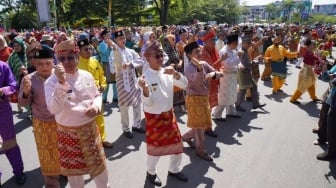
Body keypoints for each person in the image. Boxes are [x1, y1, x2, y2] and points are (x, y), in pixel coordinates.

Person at [44, 39, 110, 188]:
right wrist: (61, 84)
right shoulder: (51, 82)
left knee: (100, 171)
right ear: (57, 61)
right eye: (62, 58)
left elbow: (97, 95)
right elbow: (54, 109)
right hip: (68, 135)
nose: (66, 62)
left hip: (90, 131)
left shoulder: (86, 75)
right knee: (75, 177)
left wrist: (96, 106)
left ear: (77, 58)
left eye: (70, 57)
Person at [138, 40, 188, 186]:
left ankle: (174, 169)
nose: (160, 58)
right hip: (154, 118)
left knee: (177, 146)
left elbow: (184, 85)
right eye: (156, 56)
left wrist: (177, 75)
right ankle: (151, 173)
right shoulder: (145, 77)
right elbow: (147, 103)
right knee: (155, 151)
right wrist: (146, 91)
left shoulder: (168, 72)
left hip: (169, 115)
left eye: (161, 55)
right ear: (148, 58)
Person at [18, 47, 61, 187]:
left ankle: (64, 172)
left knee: (63, 150)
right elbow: (23, 103)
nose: (44, 67)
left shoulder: (60, 75)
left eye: (47, 63)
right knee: (47, 155)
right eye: (40, 64)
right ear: (35, 64)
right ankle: (51, 183)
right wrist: (25, 91)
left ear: (53, 62)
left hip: (62, 121)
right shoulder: (28, 79)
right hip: (42, 122)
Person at [182, 41, 223, 161]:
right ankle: (201, 150)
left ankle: (185, 137)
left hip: (204, 97)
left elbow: (213, 72)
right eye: (196, 52)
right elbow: (196, 81)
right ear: (189, 55)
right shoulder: (188, 68)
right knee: (200, 126)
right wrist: (200, 70)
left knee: (201, 124)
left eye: (199, 50)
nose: (200, 53)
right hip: (194, 99)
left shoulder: (204, 63)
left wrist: (216, 74)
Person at [77, 37, 114, 148]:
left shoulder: (95, 61)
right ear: (79, 51)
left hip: (97, 97)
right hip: (84, 99)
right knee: (86, 121)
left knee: (100, 119)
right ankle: (88, 142)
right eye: (85, 49)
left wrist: (103, 85)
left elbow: (102, 76)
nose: (89, 51)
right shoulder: (76, 64)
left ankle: (102, 140)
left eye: (90, 49)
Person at [112, 30, 145, 138]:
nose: (123, 40)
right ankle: (125, 128)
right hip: (121, 81)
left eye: (123, 38)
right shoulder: (114, 53)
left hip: (133, 80)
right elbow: (113, 69)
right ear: (116, 40)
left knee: (137, 104)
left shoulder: (131, 51)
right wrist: (119, 66)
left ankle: (137, 124)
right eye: (120, 39)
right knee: (124, 106)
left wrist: (131, 64)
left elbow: (141, 60)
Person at [0, 61, 26, 185]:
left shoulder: (2, 66)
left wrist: (2, 91)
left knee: (9, 142)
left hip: (2, 111)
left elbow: (13, 85)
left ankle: (18, 171)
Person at [200, 28, 226, 137]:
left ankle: (206, 126)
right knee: (207, 107)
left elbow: (220, 64)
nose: (214, 42)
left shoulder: (213, 50)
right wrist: (221, 61)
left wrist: (222, 68)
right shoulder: (203, 53)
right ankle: (206, 128)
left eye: (214, 40)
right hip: (206, 84)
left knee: (209, 106)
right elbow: (210, 68)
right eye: (212, 40)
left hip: (214, 82)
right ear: (205, 42)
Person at [214, 33, 241, 119]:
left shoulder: (233, 50)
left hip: (232, 75)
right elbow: (227, 64)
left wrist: (240, 65)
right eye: (236, 44)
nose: (237, 46)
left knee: (232, 94)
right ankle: (217, 114)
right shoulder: (223, 51)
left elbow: (236, 62)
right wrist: (239, 58)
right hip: (225, 76)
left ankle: (231, 112)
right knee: (224, 96)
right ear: (231, 43)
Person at [236, 36, 266, 111]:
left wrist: (256, 59)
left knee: (254, 87)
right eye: (247, 43)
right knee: (243, 90)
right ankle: (237, 105)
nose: (249, 45)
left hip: (248, 72)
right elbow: (238, 62)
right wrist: (240, 65)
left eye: (249, 43)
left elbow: (248, 63)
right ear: (242, 43)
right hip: (243, 73)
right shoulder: (241, 51)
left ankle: (256, 104)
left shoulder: (246, 50)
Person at [290, 39, 321, 104]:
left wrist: (318, 60)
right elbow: (310, 57)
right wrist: (318, 58)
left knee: (311, 84)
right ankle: (293, 99)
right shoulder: (306, 51)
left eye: (315, 44)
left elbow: (313, 59)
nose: (314, 45)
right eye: (313, 44)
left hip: (309, 70)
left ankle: (314, 97)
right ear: (309, 45)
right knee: (302, 86)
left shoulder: (311, 52)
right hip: (305, 71)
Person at [316, 71, 336, 161]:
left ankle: (331, 152)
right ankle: (323, 137)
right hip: (332, 95)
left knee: (331, 122)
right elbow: (326, 77)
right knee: (326, 118)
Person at [7, 38, 28, 113]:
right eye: (14, 46)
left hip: (28, 75)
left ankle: (30, 111)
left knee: (28, 92)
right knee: (20, 92)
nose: (16, 47)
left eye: (18, 45)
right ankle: (19, 106)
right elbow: (9, 67)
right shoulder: (12, 57)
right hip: (18, 77)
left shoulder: (27, 53)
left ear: (22, 46)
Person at [98, 28, 117, 103]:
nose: (109, 35)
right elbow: (105, 53)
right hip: (106, 64)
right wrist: (109, 46)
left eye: (109, 34)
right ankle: (104, 98)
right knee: (107, 82)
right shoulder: (102, 44)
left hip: (113, 63)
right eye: (107, 34)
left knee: (115, 81)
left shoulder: (112, 42)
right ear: (103, 36)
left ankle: (115, 97)